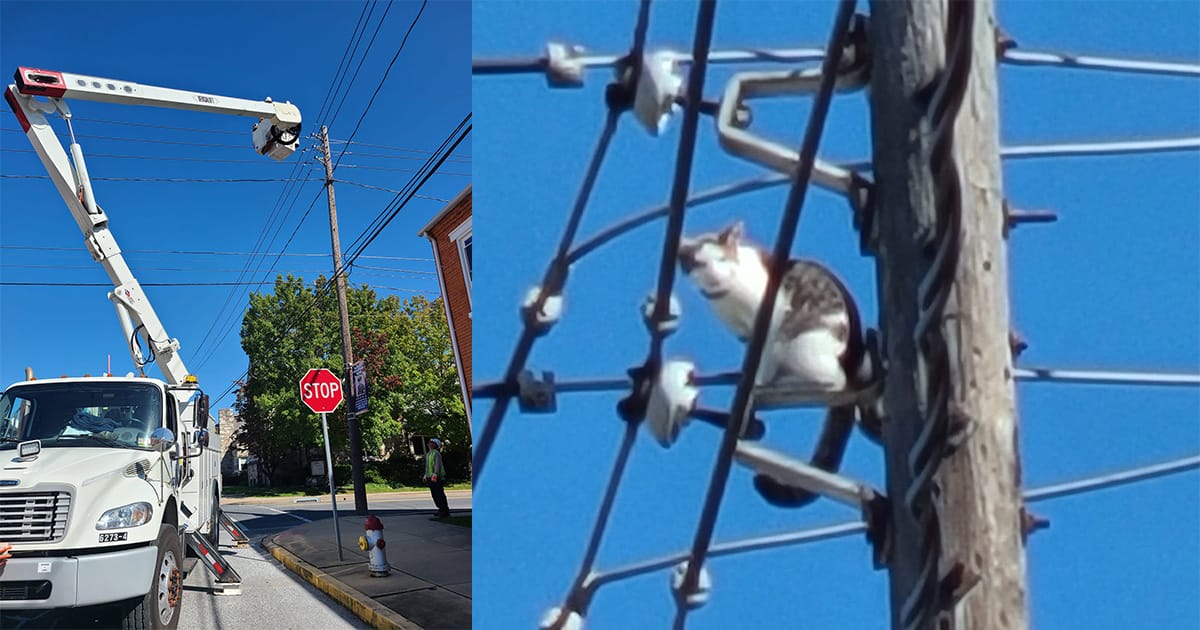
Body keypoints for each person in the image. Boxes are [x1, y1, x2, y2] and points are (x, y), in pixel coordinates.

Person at [423, 438, 451, 519]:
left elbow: (437, 465)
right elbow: (428, 466)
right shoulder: (429, 454)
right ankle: (440, 509)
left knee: (439, 494)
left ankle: (444, 511)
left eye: (431, 442)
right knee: (434, 495)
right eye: (429, 442)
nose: (429, 443)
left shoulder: (436, 453)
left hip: (437, 478)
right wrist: (426, 475)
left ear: (435, 445)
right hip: (430, 477)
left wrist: (435, 474)